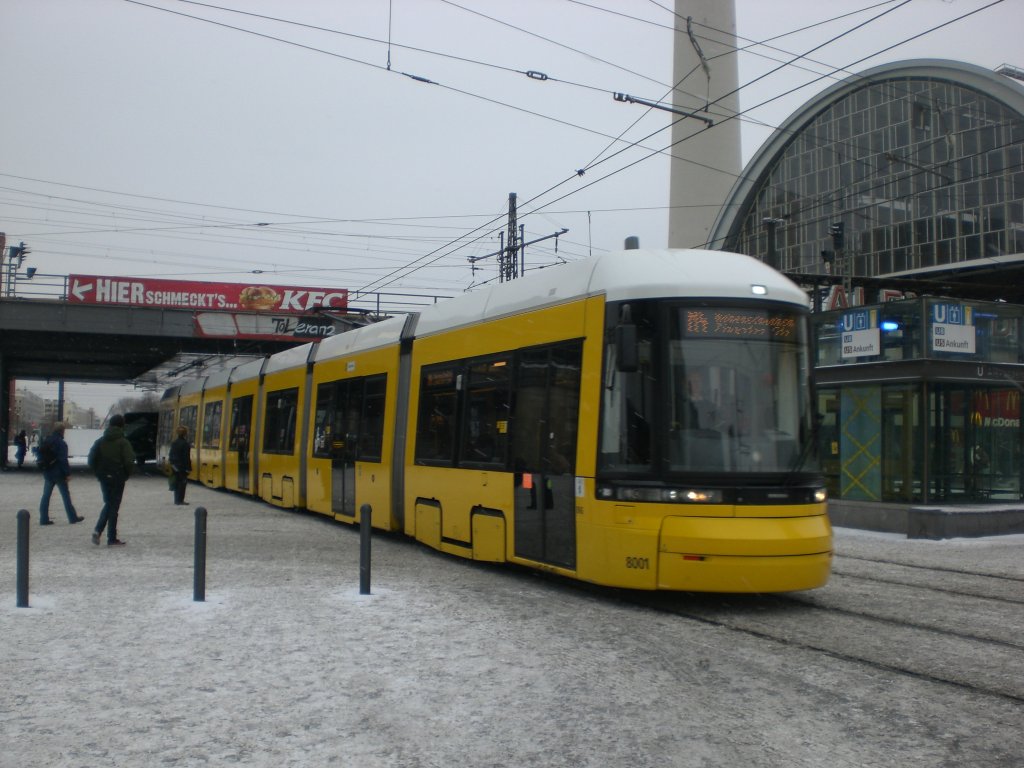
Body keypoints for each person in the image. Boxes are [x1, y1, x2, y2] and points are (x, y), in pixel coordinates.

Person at [88, 414, 136, 546]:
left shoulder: (100, 441)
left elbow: (91, 459)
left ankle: (103, 534)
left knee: (109, 503)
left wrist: (99, 473)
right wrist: (126, 474)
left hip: (104, 477)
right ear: (122, 425)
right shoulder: (123, 442)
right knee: (113, 506)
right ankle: (107, 535)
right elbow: (129, 461)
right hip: (118, 476)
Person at [38, 423, 84, 526]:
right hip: (58, 473)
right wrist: (67, 474)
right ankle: (72, 517)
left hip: (48, 472)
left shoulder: (47, 440)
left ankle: (43, 518)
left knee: (46, 496)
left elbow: (40, 454)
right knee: (65, 496)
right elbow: (63, 460)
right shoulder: (61, 443)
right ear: (62, 431)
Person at [169, 425, 192, 505]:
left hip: (175, 466)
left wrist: (172, 464)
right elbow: (186, 457)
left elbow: (171, 455)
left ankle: (176, 500)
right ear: (185, 434)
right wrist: (188, 468)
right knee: (182, 484)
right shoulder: (185, 444)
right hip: (182, 467)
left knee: (176, 483)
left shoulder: (174, 443)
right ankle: (180, 500)